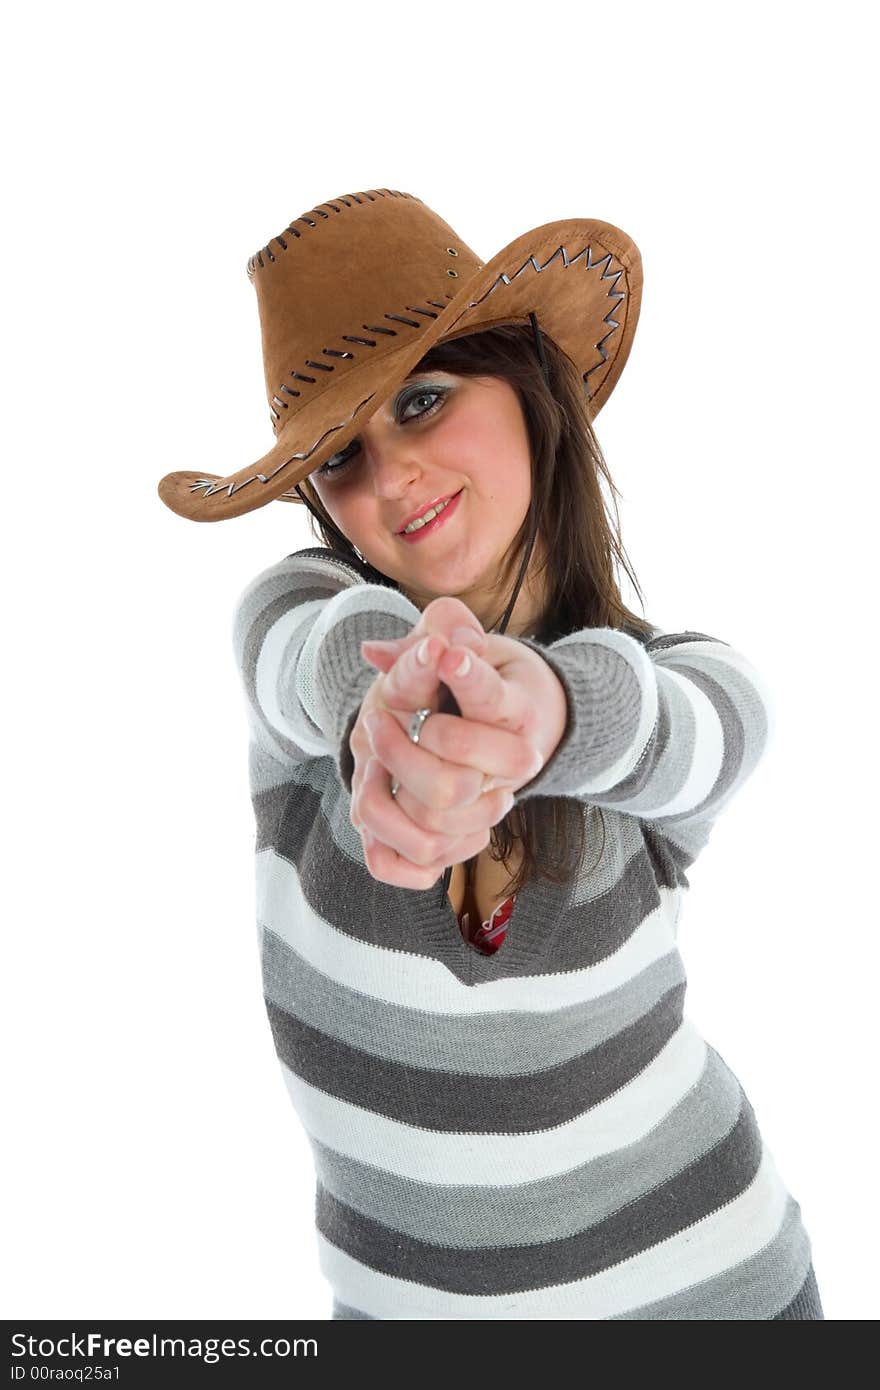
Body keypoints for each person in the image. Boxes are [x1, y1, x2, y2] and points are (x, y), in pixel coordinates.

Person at [157, 187, 824, 1319]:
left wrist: (550, 714)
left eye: (422, 401)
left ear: (526, 378)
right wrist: (383, 712)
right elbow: (301, 648)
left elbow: (718, 718)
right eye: (339, 461)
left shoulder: (656, 689)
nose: (388, 480)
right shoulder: (306, 623)